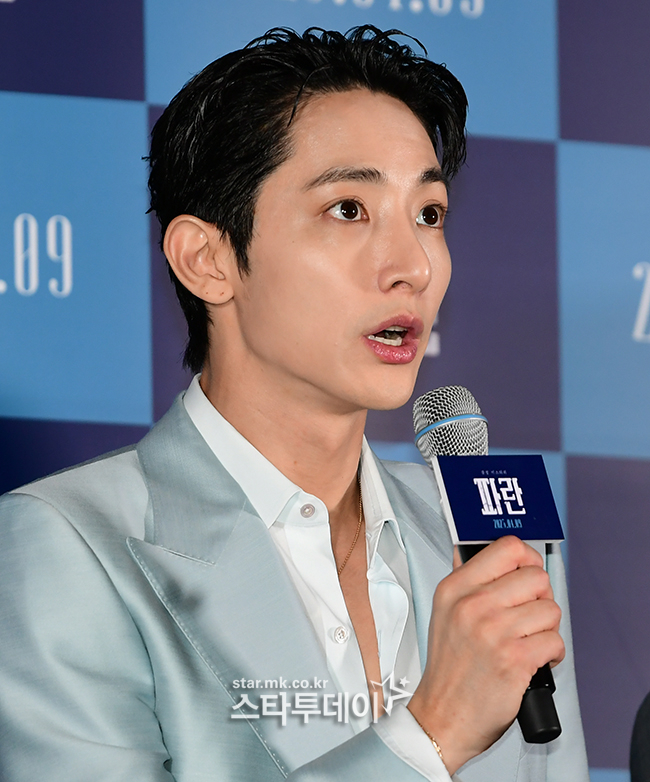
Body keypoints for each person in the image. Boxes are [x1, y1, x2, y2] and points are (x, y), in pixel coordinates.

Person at [0, 26, 588, 781]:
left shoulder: (489, 537)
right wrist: (431, 735)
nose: (412, 265)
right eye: (348, 209)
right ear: (207, 260)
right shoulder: (68, 548)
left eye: (429, 213)